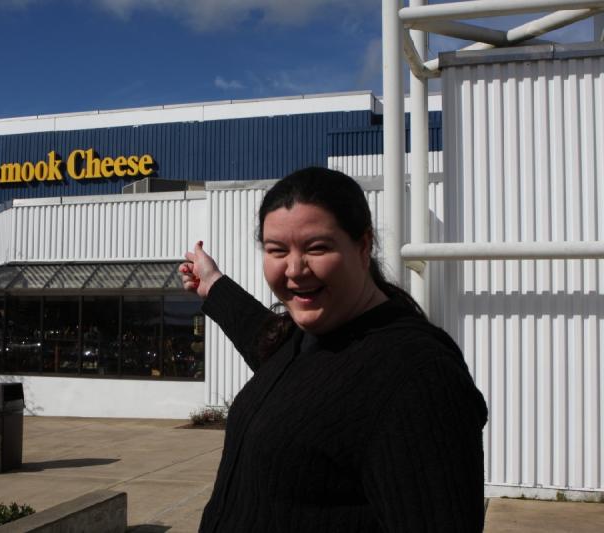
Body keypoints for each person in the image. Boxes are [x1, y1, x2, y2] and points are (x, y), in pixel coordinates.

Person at [179, 167, 488, 532]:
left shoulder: (416, 373)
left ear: (363, 245)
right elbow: (260, 336)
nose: (294, 269)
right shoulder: (300, 339)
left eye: (317, 248)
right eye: (277, 250)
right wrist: (213, 284)